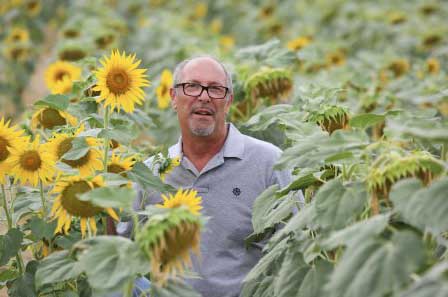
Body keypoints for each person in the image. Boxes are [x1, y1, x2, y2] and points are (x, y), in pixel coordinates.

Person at [116, 55, 303, 297]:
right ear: (173, 97)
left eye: (215, 89)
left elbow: (295, 247)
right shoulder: (151, 173)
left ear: (228, 102)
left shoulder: (269, 163)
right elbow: (123, 257)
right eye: (192, 86)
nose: (204, 96)